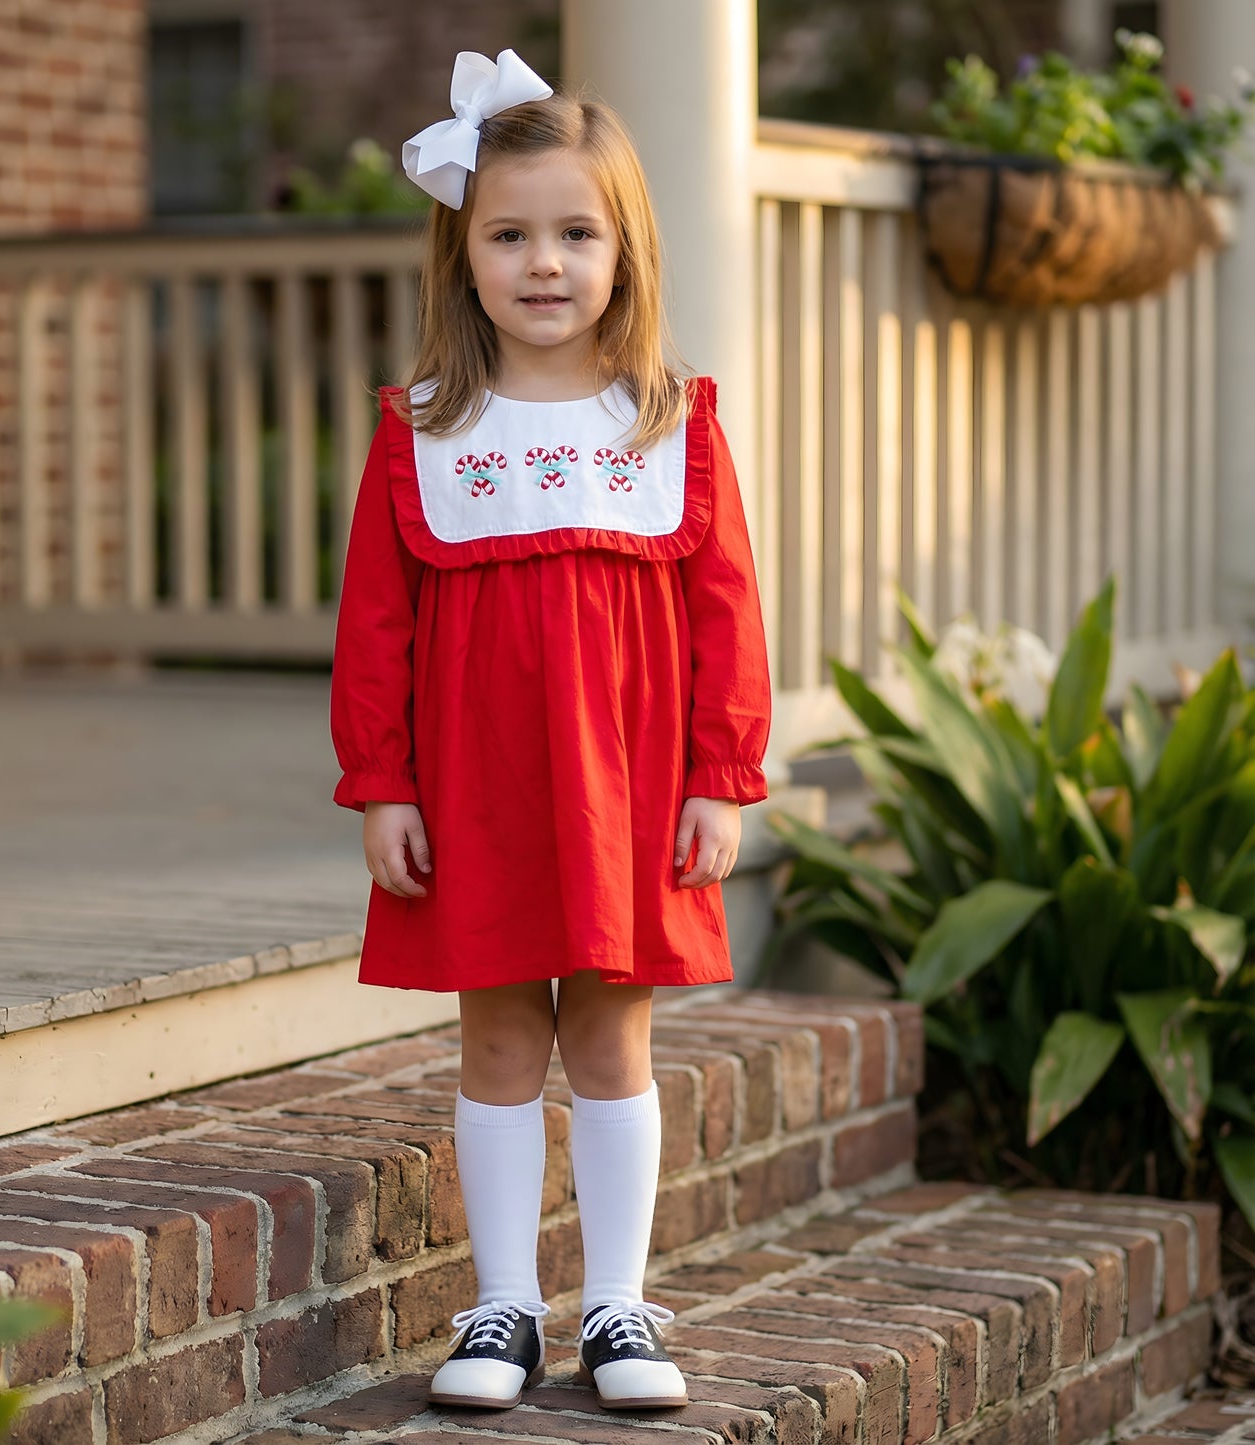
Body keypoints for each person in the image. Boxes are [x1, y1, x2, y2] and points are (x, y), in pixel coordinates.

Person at [330, 48, 772, 1413]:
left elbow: (724, 614)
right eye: (508, 234)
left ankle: (618, 1307)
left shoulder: (666, 422)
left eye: (574, 233)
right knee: (500, 1042)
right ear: (461, 254)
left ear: (622, 251)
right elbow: (376, 628)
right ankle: (503, 1306)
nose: (541, 262)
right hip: (476, 788)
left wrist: (721, 774)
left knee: (612, 1041)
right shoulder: (425, 430)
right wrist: (383, 784)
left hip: (630, 788)